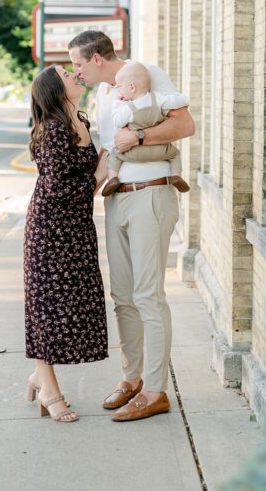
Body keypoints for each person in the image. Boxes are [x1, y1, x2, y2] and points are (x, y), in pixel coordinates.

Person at [67, 30, 195, 422]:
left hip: (151, 194)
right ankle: (132, 378)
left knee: (148, 295)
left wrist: (138, 134)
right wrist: (76, 199)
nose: (77, 73)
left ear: (97, 59)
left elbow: (185, 125)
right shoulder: (104, 96)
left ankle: (156, 390)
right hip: (117, 197)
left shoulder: (148, 73)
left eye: (78, 64)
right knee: (122, 294)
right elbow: (109, 149)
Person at [22, 65, 109, 423]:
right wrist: (98, 177)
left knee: (73, 308)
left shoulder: (81, 121)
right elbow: (58, 189)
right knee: (48, 312)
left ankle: (39, 377)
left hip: (76, 230)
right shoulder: (54, 129)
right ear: (56, 90)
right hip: (49, 232)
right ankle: (50, 390)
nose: (76, 76)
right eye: (67, 75)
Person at [102, 60, 191, 197]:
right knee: (175, 154)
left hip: (133, 153)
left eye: (120, 87)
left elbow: (118, 121)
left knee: (114, 154)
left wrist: (117, 103)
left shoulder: (128, 108)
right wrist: (185, 99)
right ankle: (176, 175)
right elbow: (178, 101)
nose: (118, 90)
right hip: (160, 151)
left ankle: (113, 179)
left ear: (131, 87)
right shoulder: (159, 99)